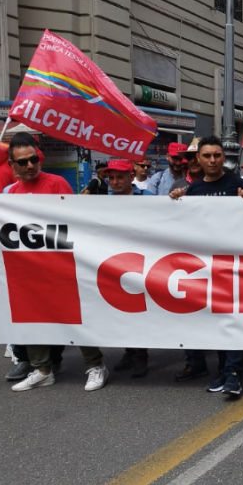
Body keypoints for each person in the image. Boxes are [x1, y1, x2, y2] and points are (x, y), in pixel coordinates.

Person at [0, 132, 108, 391]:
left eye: (34, 159)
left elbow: (75, 221)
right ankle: (42, 370)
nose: (30, 165)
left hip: (60, 266)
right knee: (31, 317)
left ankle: (95, 365)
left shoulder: (57, 184)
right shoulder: (10, 192)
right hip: (28, 270)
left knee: (75, 317)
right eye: (23, 162)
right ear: (12, 164)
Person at [170, 136, 243, 396]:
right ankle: (223, 370)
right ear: (198, 159)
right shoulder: (193, 190)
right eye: (207, 156)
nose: (212, 160)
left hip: (233, 265)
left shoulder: (236, 184)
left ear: (223, 157)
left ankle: (234, 374)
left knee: (232, 318)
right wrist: (176, 200)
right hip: (205, 267)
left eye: (217, 155)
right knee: (217, 321)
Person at [100, 158, 154, 377]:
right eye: (111, 178)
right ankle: (129, 352)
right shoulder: (104, 203)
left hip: (143, 262)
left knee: (139, 311)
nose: (114, 182)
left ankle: (141, 355)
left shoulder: (149, 198)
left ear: (131, 177)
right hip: (117, 264)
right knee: (123, 311)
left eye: (119, 177)